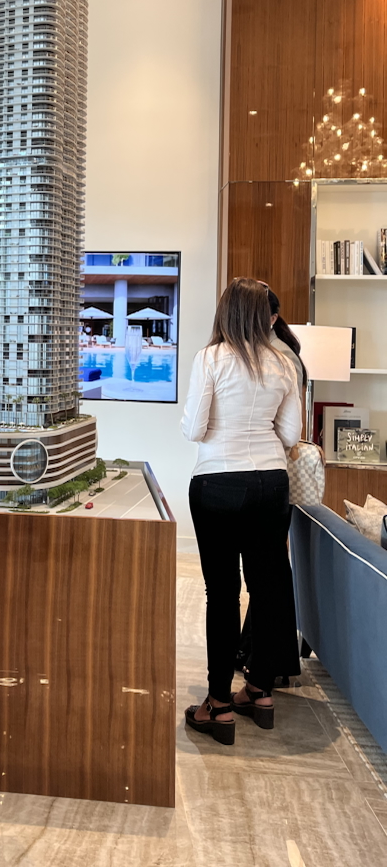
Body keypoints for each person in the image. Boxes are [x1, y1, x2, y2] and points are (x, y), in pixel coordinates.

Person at [181, 277, 302, 744]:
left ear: (227, 312)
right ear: (265, 317)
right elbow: (290, 434)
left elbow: (194, 429)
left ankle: (219, 704)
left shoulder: (211, 358)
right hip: (271, 482)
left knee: (222, 593)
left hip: (217, 482)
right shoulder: (284, 362)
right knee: (267, 588)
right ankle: (260, 691)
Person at [235, 284, 306, 678]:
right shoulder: (276, 354)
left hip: (271, 471)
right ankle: (263, 660)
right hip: (273, 472)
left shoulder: (278, 358)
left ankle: (265, 661)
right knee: (270, 570)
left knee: (266, 574)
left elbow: (289, 430)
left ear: (273, 318)